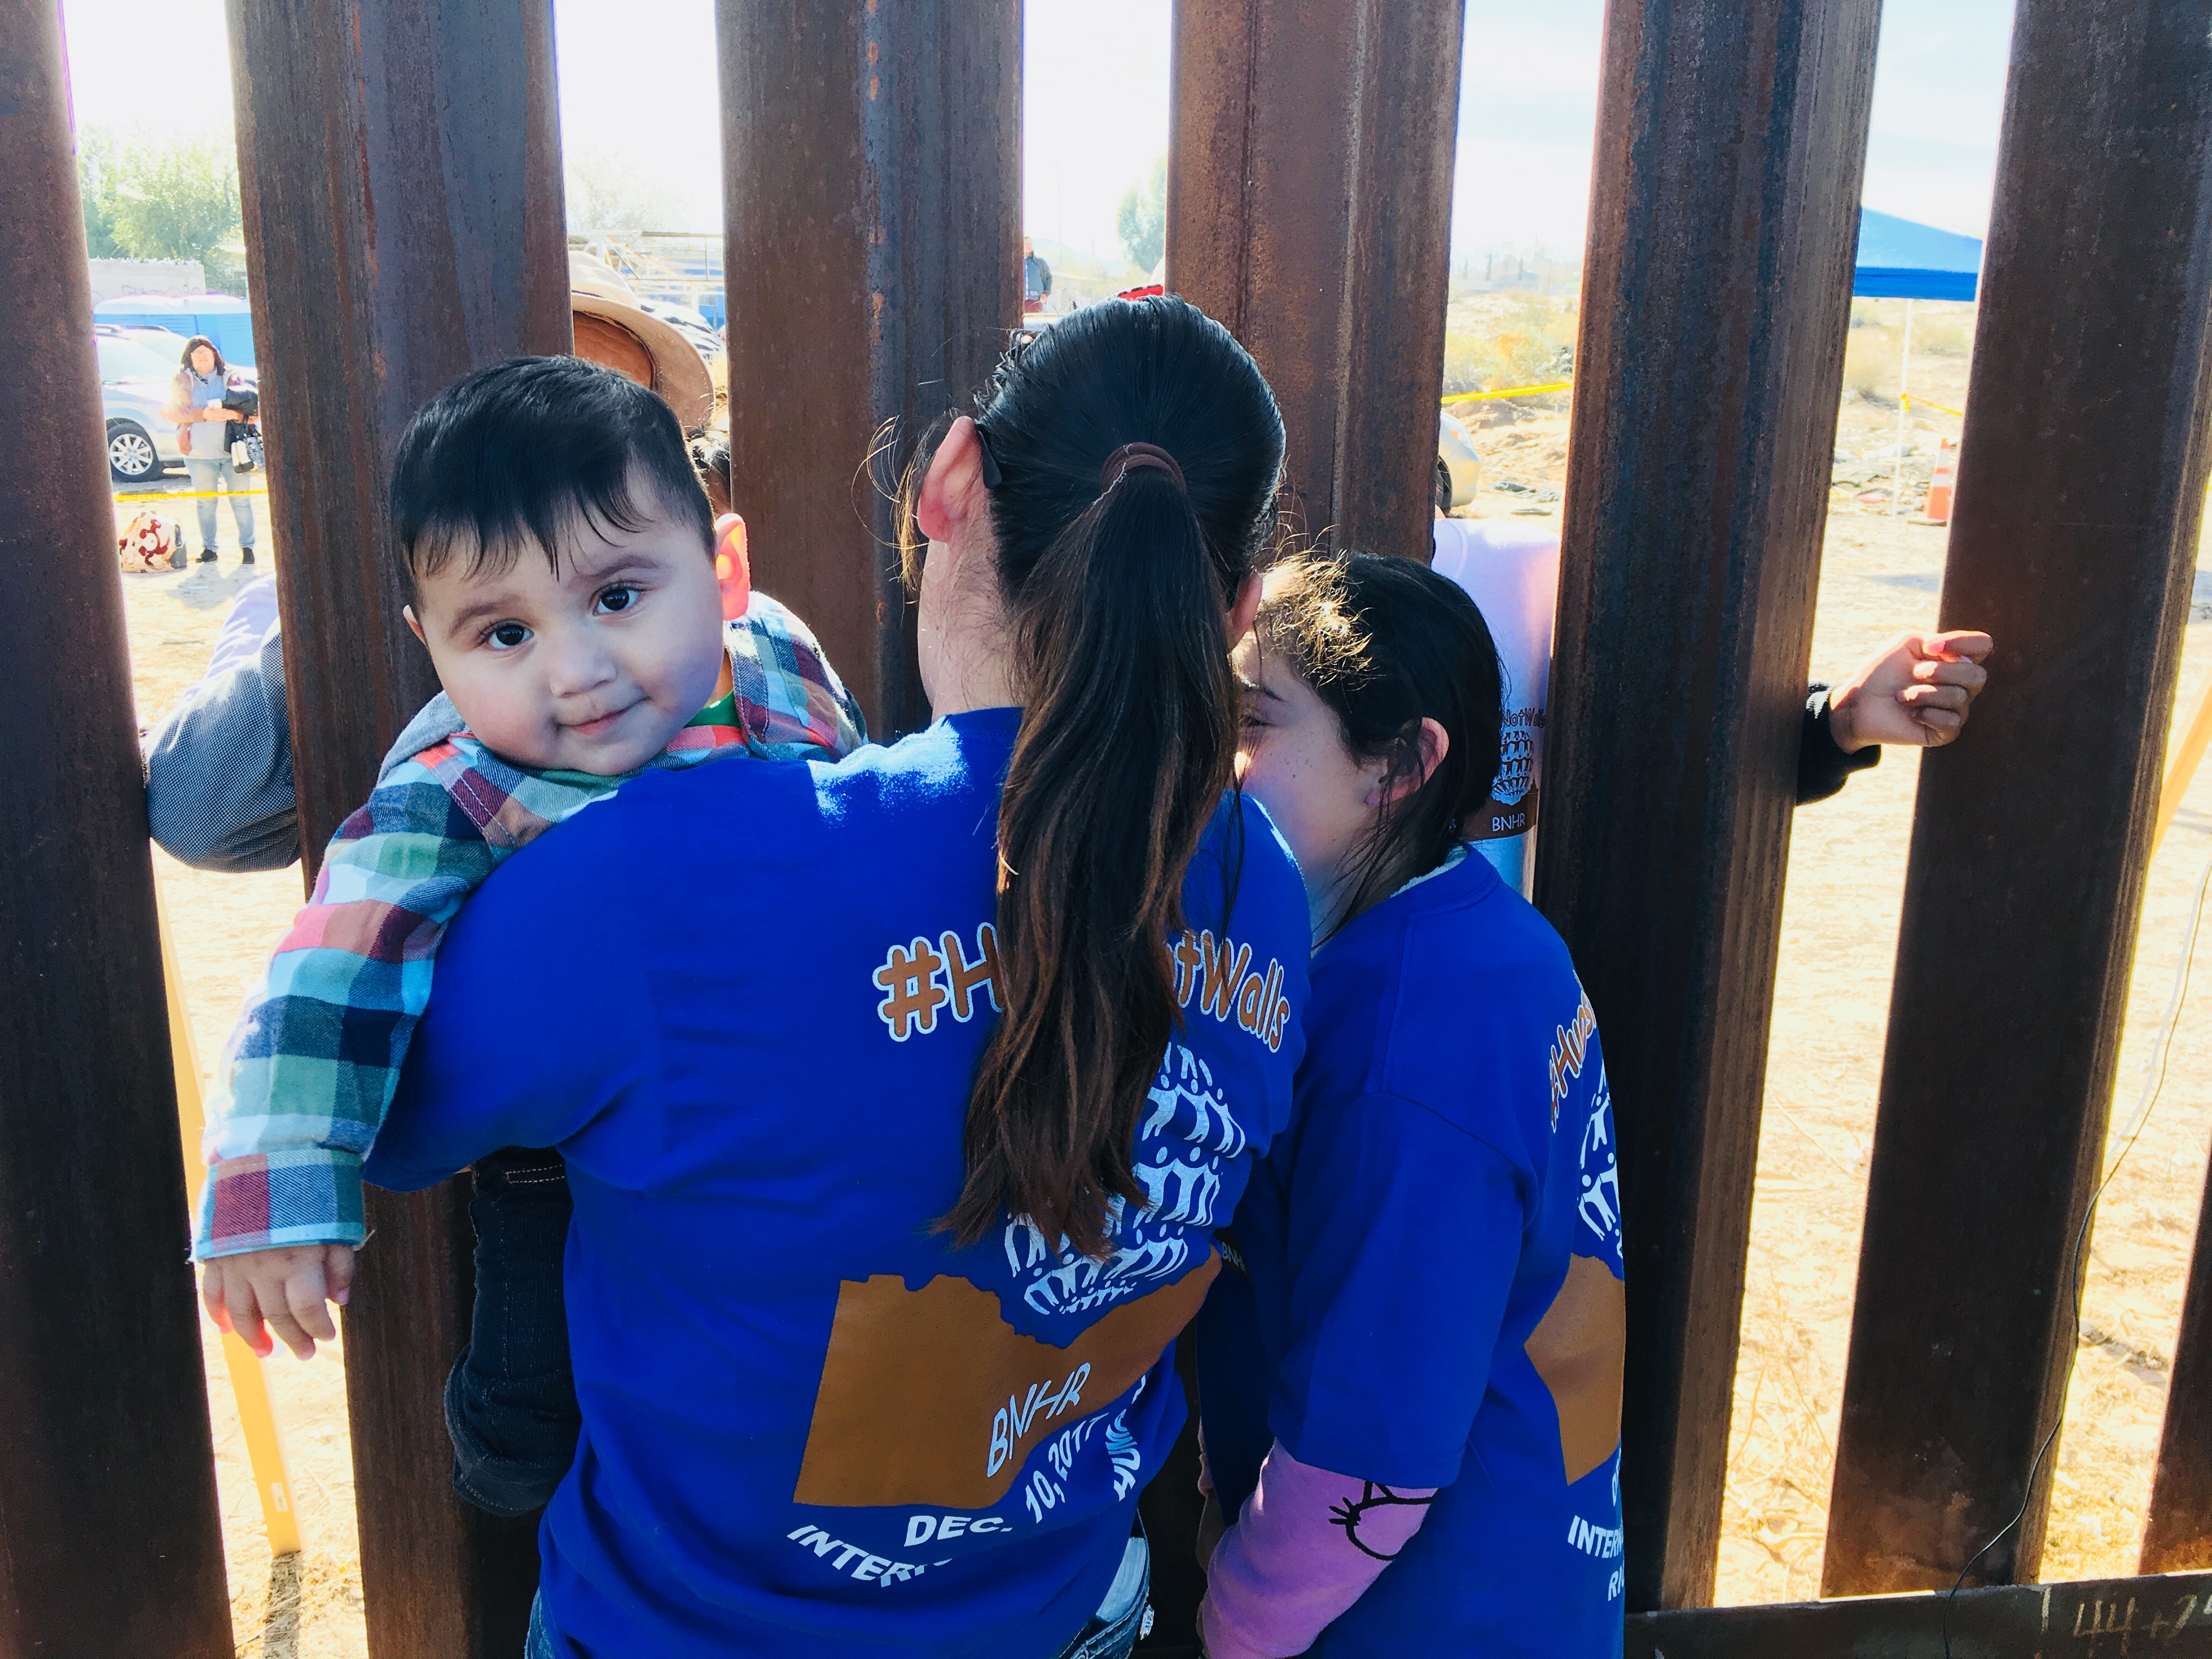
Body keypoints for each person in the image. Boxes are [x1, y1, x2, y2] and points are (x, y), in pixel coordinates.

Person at [313, 297, 1308, 1659]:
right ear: (1239, 607)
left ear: (949, 481)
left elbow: (381, 1110)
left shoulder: (644, 891)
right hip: (1063, 1610)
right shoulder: (1267, 892)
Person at [191, 354, 864, 1316]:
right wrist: (280, 1185)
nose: (577, 670)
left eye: (618, 597)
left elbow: (857, 793)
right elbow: (329, 970)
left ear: (725, 574)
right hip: (562, 1178)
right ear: (432, 645)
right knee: (532, 1409)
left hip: (785, 1121)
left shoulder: (777, 660)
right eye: (505, 634)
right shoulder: (457, 787)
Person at [1193, 551, 1622, 1658]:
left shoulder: (1402, 1052)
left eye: (1253, 723)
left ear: (1400, 765)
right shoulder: (1490, 938)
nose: (1212, 757)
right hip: (1527, 1582)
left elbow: (1365, 1460)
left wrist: (1239, 1620)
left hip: (1409, 1617)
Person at [161, 334, 257, 567]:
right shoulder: (182, 382)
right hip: (198, 455)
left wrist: (235, 415)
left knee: (241, 501)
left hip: (234, 452)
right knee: (205, 503)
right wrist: (202, 414)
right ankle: (209, 549)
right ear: (189, 358)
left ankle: (248, 548)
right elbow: (170, 412)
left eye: (206, 352)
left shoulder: (232, 378)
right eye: (197, 353)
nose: (202, 356)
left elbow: (256, 412)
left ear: (215, 355)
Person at [1025, 236, 1054, 315]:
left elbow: (1048, 278)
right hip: (1019, 303)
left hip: (1036, 303)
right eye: (1026, 244)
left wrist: (1046, 294)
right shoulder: (1015, 263)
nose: (1029, 246)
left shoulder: (1039, 263)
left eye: (1030, 244)